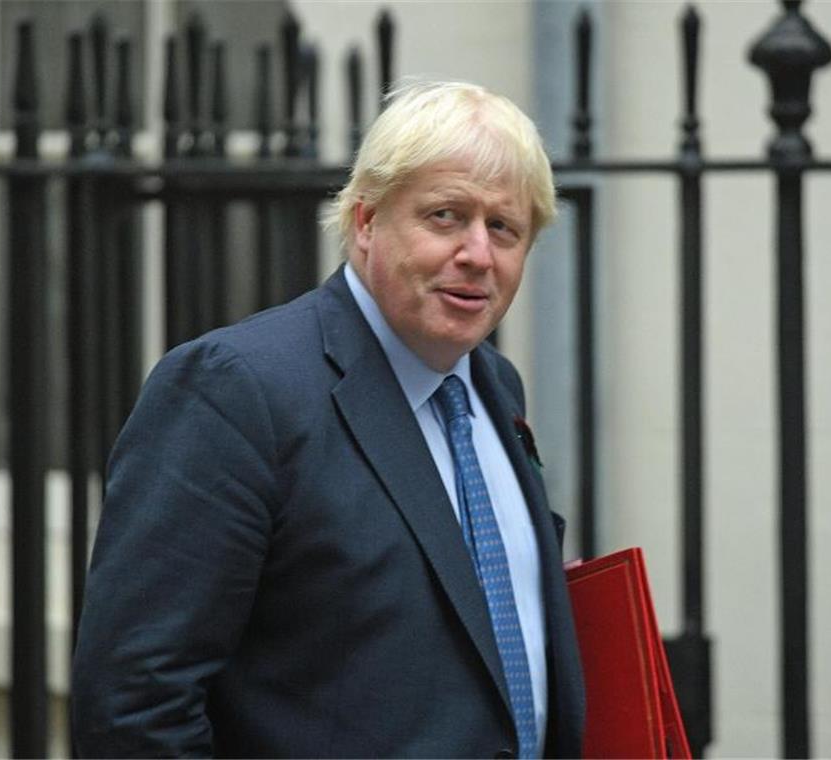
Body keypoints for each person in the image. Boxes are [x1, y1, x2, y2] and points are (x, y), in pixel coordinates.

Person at [71, 80, 585, 758]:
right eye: (444, 216)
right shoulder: (238, 390)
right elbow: (132, 704)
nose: (478, 255)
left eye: (504, 228)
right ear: (367, 221)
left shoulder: (494, 386)